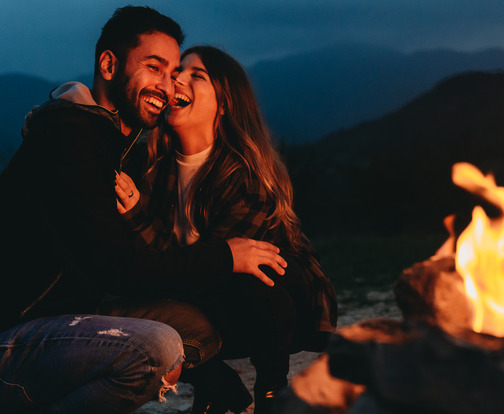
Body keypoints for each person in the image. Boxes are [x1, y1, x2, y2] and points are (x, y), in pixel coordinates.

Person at [0, 6, 287, 414]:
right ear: (109, 64)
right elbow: (120, 268)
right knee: (157, 347)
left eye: (173, 72)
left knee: (195, 329)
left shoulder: (109, 140)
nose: (168, 86)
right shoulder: (71, 141)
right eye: (154, 68)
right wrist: (225, 256)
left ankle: (219, 393)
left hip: (61, 320)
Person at [114, 46, 338, 414]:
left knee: (254, 273)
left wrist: (139, 218)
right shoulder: (151, 167)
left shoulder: (245, 176)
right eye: (174, 72)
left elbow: (211, 266)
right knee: (133, 309)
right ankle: (219, 389)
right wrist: (58, 123)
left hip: (273, 308)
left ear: (224, 103)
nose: (177, 80)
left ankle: (272, 389)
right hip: (202, 303)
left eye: (195, 75)